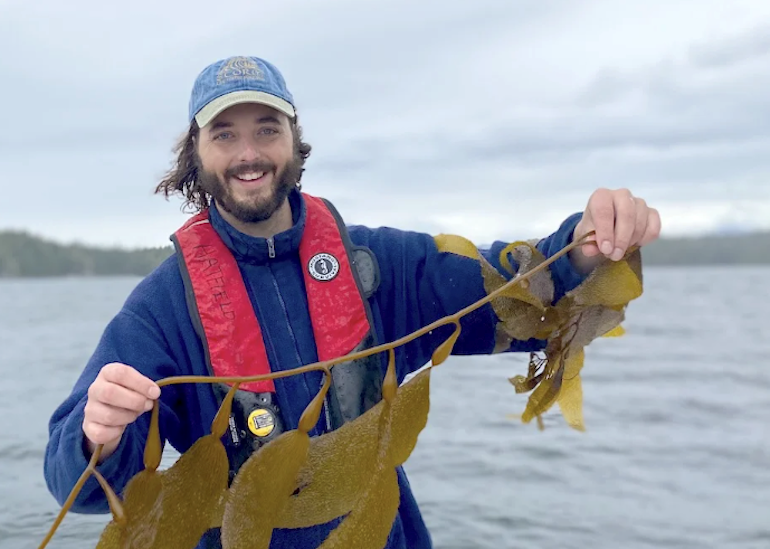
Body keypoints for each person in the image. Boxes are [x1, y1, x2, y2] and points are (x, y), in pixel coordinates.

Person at [43, 55, 661, 548]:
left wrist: (584, 247)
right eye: (225, 133)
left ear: (294, 139)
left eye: (267, 129)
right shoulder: (160, 308)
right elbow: (76, 483)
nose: (248, 153)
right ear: (196, 153)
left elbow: (509, 293)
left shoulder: (378, 266)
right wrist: (95, 434)